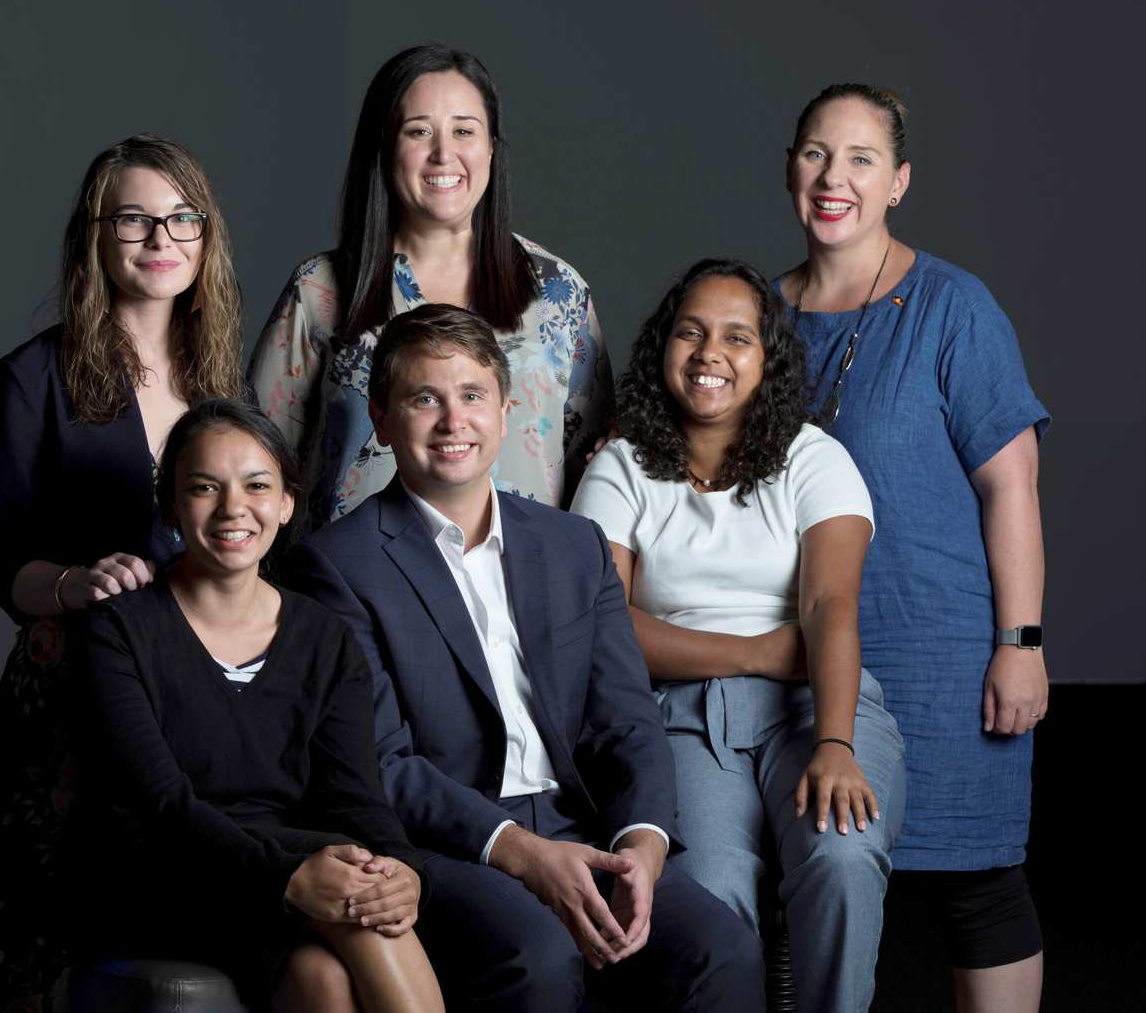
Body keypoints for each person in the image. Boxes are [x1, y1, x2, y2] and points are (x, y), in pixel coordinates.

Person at [289, 303, 764, 1012]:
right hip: (452, 844)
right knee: (537, 957)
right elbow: (379, 762)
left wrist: (643, 844)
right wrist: (517, 851)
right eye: (425, 399)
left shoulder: (573, 546)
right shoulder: (335, 566)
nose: (455, 422)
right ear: (383, 421)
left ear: (506, 412)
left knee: (720, 948)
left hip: (587, 826)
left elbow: (628, 719)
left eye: (473, 396)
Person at [776, 84, 1050, 1012]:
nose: (834, 178)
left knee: (976, 883)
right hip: (795, 658)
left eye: (860, 159)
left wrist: (1022, 646)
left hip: (938, 651)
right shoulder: (755, 323)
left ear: (898, 181)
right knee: (803, 886)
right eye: (816, 153)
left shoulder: (954, 308)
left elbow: (1012, 487)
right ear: (790, 170)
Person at [572, 258, 906, 1012]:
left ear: (768, 358)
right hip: (680, 718)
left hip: (815, 706)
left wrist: (836, 745)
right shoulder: (621, 468)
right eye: (690, 333)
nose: (709, 354)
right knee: (710, 892)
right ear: (663, 348)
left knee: (842, 859)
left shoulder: (815, 458)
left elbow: (829, 605)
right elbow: (607, 625)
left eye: (736, 337)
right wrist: (758, 652)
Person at [0, 134, 246, 1010]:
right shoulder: (31, 377)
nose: (160, 237)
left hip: (197, 686)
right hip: (71, 690)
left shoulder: (225, 382)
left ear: (206, 238)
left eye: (180, 218)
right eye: (133, 218)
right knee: (44, 942)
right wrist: (73, 583)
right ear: (96, 235)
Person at [69, 399, 443, 1013]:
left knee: (331, 969)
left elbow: (356, 797)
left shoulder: (324, 637)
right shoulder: (118, 630)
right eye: (204, 487)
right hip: (166, 879)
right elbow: (159, 807)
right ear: (170, 506)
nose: (232, 508)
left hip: (293, 877)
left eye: (257, 485)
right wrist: (288, 880)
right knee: (355, 903)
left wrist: (404, 872)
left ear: (287, 502)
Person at [249, 44, 611, 539]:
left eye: (464, 130)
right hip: (351, 596)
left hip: (520, 596)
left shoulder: (557, 292)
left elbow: (596, 472)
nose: (444, 154)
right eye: (418, 131)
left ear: (490, 148)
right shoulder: (321, 291)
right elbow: (254, 462)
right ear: (384, 146)